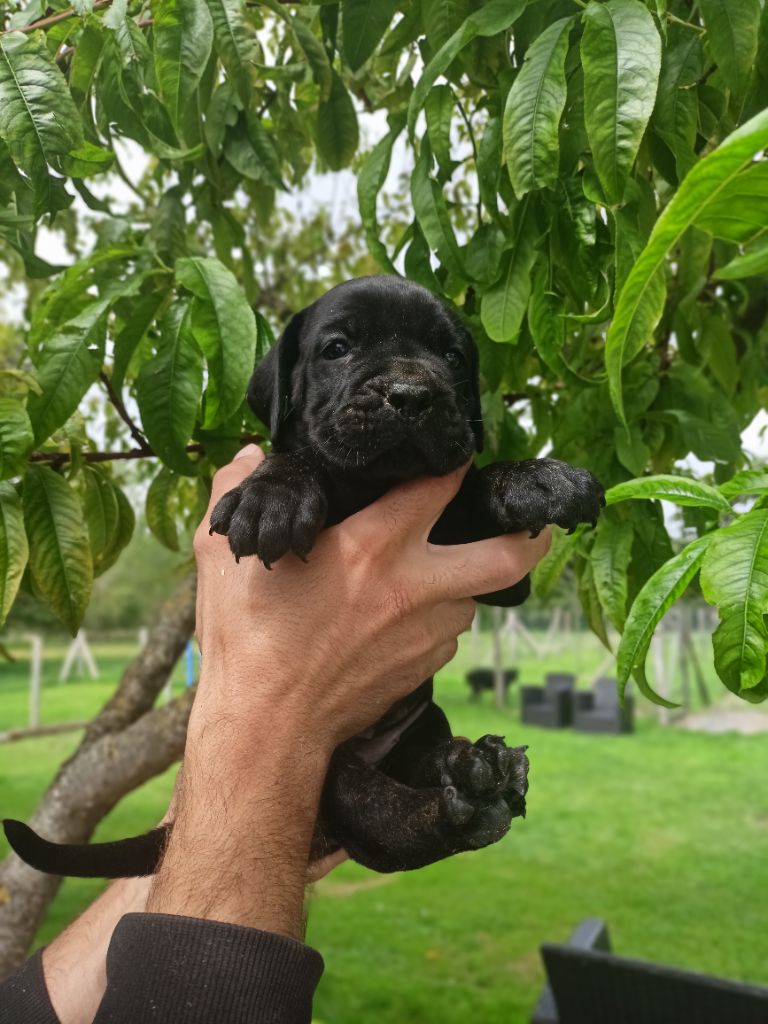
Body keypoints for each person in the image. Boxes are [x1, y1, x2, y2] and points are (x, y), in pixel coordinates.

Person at [0, 446, 551, 1024]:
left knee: (405, 764)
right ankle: (439, 808)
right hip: (360, 775)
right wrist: (272, 715)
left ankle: (441, 800)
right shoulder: (299, 466)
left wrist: (212, 822)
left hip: (401, 740)